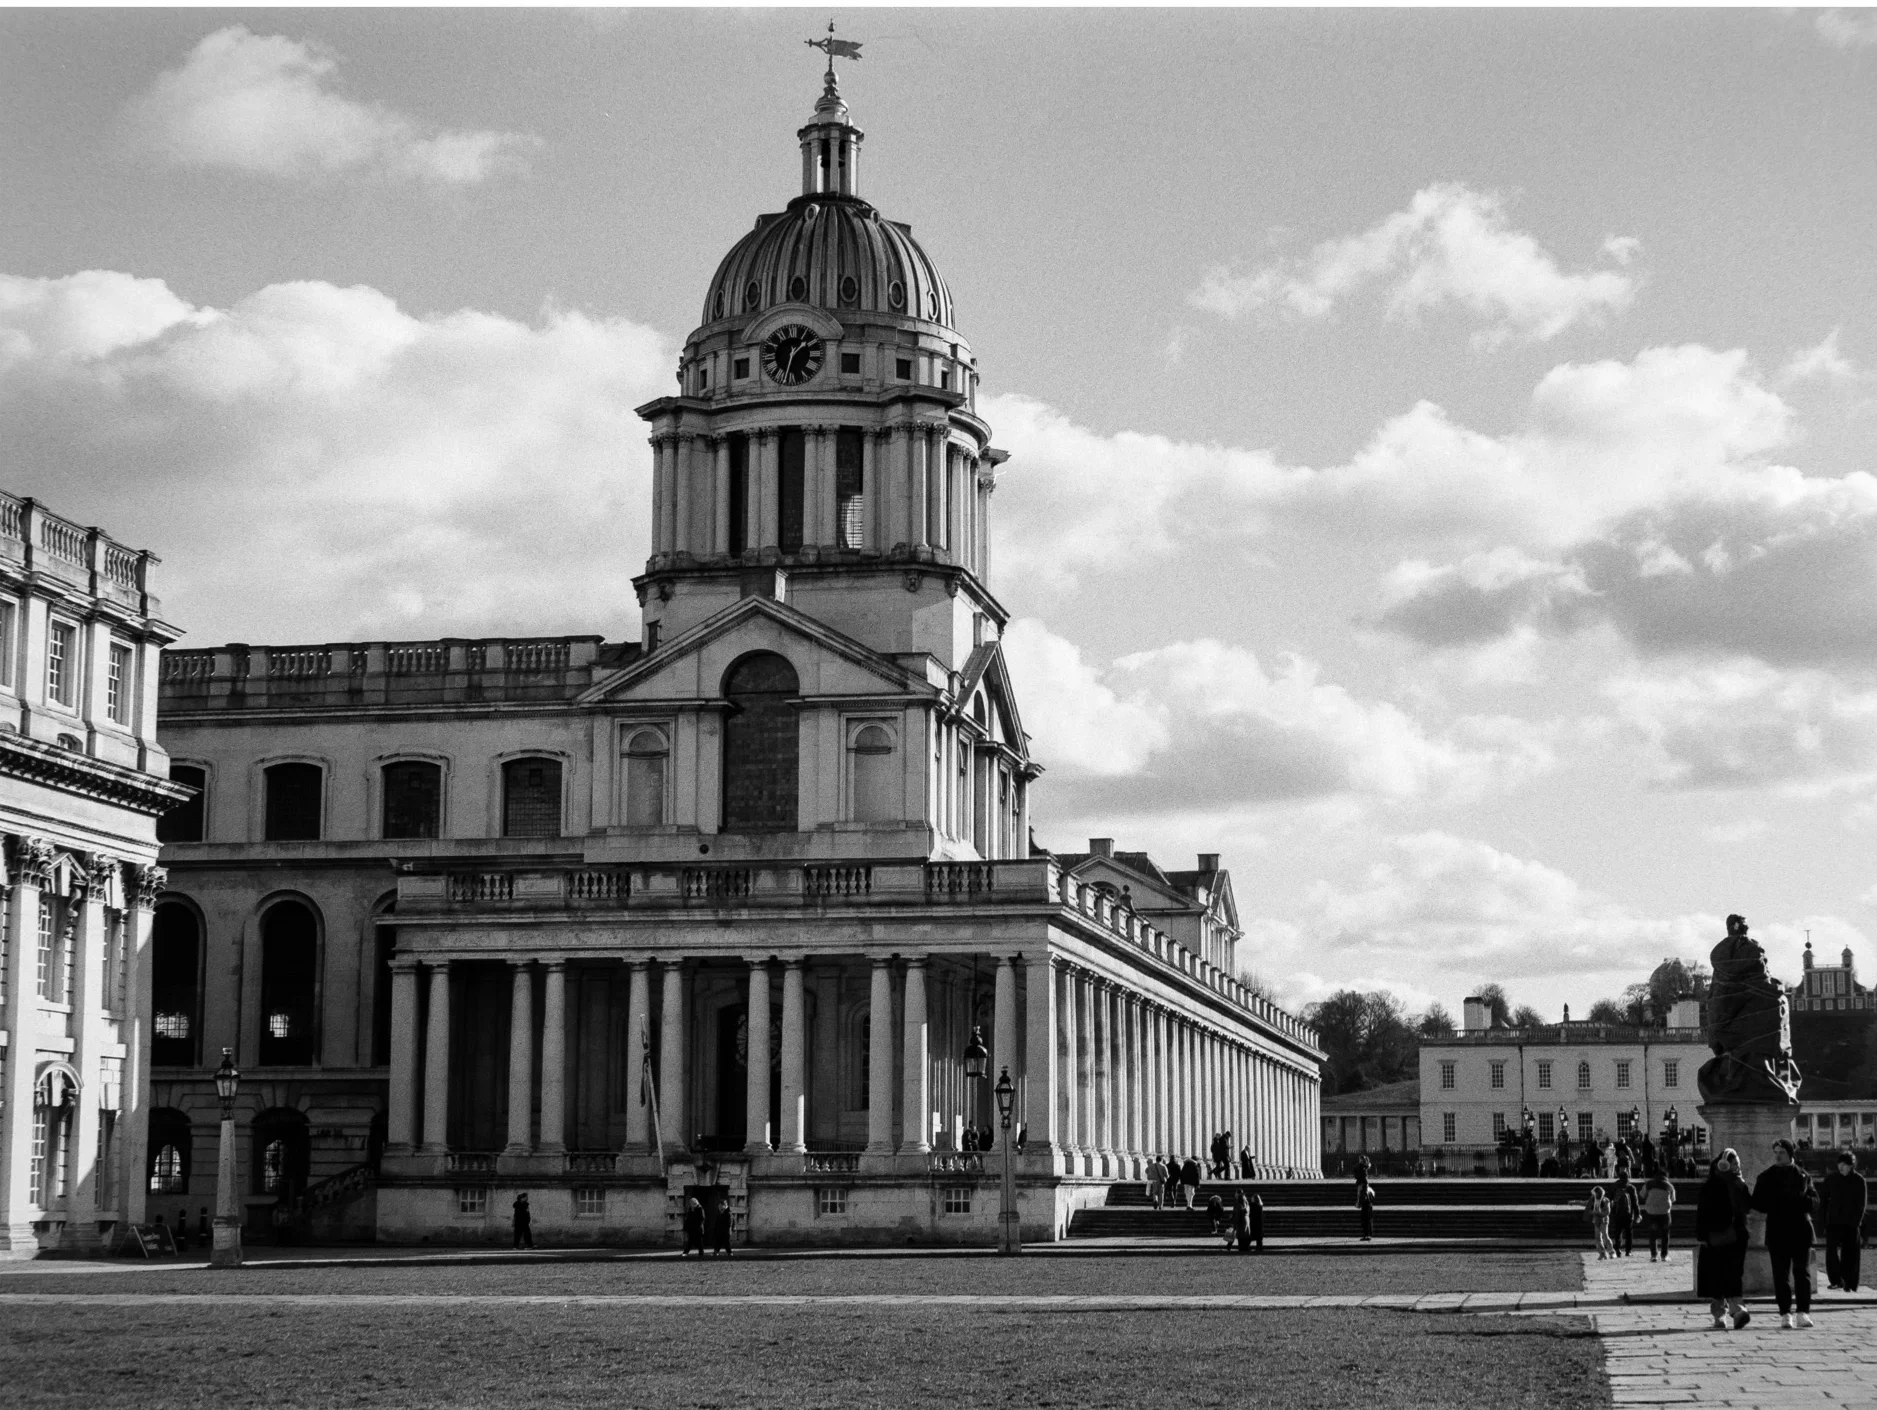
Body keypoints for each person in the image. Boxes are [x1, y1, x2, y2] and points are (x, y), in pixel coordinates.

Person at [1751, 1138, 1816, 1328]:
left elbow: (1814, 1201)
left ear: (1790, 1154)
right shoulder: (1766, 1177)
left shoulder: (1803, 1176)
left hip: (1799, 1231)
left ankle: (1803, 1312)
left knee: (1802, 1273)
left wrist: (1802, 1200)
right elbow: (1757, 1203)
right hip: (1778, 1231)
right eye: (1776, 1152)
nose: (1778, 1156)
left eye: (1781, 1152)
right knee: (1780, 1275)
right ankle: (1785, 1312)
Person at [1696, 1149, 1752, 1331]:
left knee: (1735, 1274)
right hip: (1716, 1235)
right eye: (1732, 1163)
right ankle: (1720, 1314)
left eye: (1737, 1164)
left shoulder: (1739, 1184)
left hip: (1737, 1235)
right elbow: (1702, 1212)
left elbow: (1747, 1207)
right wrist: (1702, 1235)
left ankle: (1737, 1311)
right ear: (1723, 1164)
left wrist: (1742, 1186)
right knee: (1717, 1276)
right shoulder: (1711, 1185)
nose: (1736, 1167)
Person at [1823, 1150, 1868, 1293]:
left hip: (1851, 1223)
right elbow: (1824, 1202)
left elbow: (1862, 1204)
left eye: (1844, 1164)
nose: (1841, 1167)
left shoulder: (1859, 1180)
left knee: (1851, 1254)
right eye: (1839, 1164)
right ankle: (1836, 1280)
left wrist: (1856, 1222)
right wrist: (1824, 1222)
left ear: (1851, 1165)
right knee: (1831, 1252)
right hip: (1834, 1222)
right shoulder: (1831, 1179)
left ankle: (1850, 1282)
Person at [1640, 1169, 1677, 1262]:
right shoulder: (1669, 1186)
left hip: (1651, 1212)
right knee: (1665, 1234)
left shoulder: (1648, 1184)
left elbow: (1642, 1195)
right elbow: (1673, 1199)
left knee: (1653, 1234)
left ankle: (1654, 1255)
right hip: (1664, 1213)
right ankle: (1664, 1255)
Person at [1608, 1173, 1637, 1258]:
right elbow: (1635, 1202)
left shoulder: (1614, 1186)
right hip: (1628, 1214)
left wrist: (1611, 1211)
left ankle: (1617, 1250)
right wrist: (1637, 1213)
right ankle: (1628, 1251)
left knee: (1618, 1233)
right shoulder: (1631, 1187)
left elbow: (1609, 1199)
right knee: (1629, 1233)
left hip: (1617, 1213)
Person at [1586, 1186, 1614, 1259]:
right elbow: (1585, 1203)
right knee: (1598, 1237)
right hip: (1596, 1220)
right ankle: (1602, 1253)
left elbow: (1607, 1212)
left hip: (1603, 1220)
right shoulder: (1593, 1200)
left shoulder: (1606, 1200)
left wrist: (1598, 1213)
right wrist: (1574, 1202)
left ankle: (1611, 1252)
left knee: (1605, 1236)